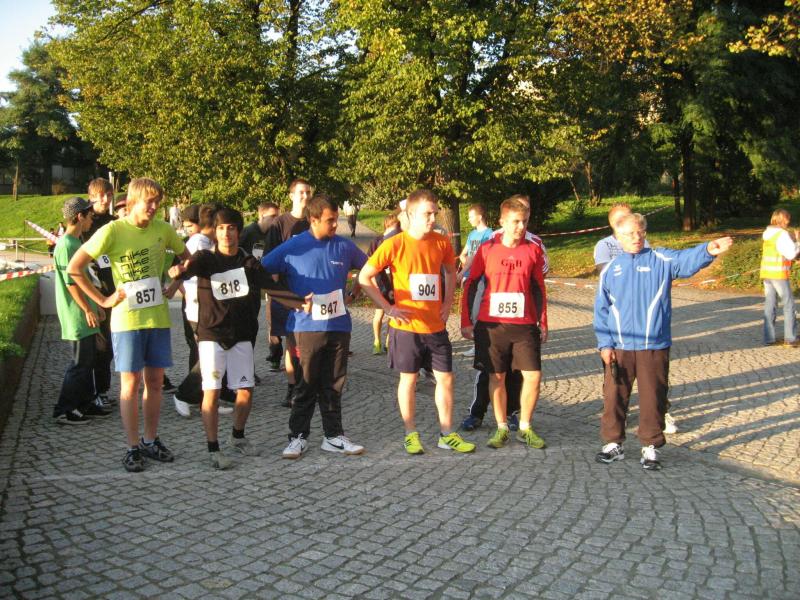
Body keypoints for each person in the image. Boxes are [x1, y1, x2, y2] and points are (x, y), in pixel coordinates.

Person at [68, 177, 190, 473]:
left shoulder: (163, 229)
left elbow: (188, 259)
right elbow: (75, 268)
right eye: (150, 201)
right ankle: (132, 446)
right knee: (130, 385)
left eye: (158, 202)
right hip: (127, 320)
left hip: (157, 317)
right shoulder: (113, 230)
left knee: (156, 383)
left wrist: (175, 283)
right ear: (133, 201)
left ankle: (150, 439)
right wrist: (104, 300)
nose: (154, 206)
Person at [593, 213, 732, 470]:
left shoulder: (661, 259)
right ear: (618, 237)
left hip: (654, 346)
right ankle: (613, 443)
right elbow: (601, 309)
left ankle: (651, 446)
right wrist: (605, 344)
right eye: (629, 234)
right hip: (620, 347)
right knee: (614, 396)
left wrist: (708, 250)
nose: (636, 237)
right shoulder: (611, 269)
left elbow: (686, 260)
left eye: (640, 232)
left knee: (653, 398)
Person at [171, 207, 306, 468]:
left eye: (231, 228)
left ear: (238, 231)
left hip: (242, 335)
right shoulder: (205, 258)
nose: (226, 233)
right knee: (211, 391)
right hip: (212, 335)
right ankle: (213, 449)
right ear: (214, 231)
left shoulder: (248, 262)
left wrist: (301, 303)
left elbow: (272, 287)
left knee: (245, 391)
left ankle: (238, 436)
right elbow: (187, 269)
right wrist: (178, 272)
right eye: (221, 228)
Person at [359, 188, 475, 455]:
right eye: (427, 214)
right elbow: (364, 277)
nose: (433, 219)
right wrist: (388, 308)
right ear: (410, 215)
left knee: (446, 379)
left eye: (435, 213)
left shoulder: (441, 242)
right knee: (409, 380)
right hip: (406, 328)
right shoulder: (395, 244)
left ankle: (447, 434)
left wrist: (447, 303)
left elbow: (450, 272)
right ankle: (410, 434)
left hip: (435, 326)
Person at [263, 194, 367, 459]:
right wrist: (290, 300)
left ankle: (333, 436)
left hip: (339, 325)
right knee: (306, 383)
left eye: (337, 220)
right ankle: (297, 437)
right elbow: (261, 273)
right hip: (306, 327)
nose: (335, 225)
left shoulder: (344, 246)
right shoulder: (293, 246)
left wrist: (354, 292)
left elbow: (370, 268)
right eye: (330, 220)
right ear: (313, 219)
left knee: (334, 382)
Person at [461, 197, 548, 449]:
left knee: (533, 376)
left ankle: (525, 427)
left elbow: (539, 288)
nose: (521, 227)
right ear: (502, 221)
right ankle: (501, 428)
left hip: (524, 324)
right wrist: (466, 321)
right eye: (515, 221)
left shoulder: (533, 250)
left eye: (524, 221)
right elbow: (471, 284)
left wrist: (543, 322)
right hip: (492, 324)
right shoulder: (487, 249)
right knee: (496, 376)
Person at [52, 197, 112, 424]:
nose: (92, 220)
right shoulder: (67, 245)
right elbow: (72, 284)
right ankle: (64, 409)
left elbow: (87, 280)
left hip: (85, 311)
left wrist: (96, 306)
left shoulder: (76, 243)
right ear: (80, 217)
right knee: (79, 363)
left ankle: (85, 403)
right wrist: (88, 309)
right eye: (90, 216)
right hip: (76, 313)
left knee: (88, 360)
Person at [171, 204, 234, 418]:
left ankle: (206, 398)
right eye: (221, 225)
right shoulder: (198, 243)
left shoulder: (208, 243)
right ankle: (185, 394)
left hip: (209, 307)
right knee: (208, 357)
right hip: (198, 309)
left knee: (212, 355)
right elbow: (184, 273)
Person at [264, 179, 312, 401]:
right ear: (291, 195)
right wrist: (275, 293)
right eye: (301, 192)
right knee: (291, 342)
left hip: (309, 291)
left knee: (308, 342)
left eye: (308, 192)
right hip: (286, 293)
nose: (305, 196)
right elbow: (270, 261)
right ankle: (293, 387)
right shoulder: (280, 224)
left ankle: (307, 384)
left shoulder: (313, 221)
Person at [82, 177, 117, 410]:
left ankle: (103, 390)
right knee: (98, 346)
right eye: (100, 196)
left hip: (115, 291)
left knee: (110, 346)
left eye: (108, 195)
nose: (105, 200)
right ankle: (94, 392)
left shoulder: (114, 223)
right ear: (91, 197)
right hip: (95, 292)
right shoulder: (85, 224)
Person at [760, 208, 799, 347]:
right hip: (778, 274)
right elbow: (791, 254)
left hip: (767, 273)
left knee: (770, 305)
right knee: (788, 305)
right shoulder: (782, 234)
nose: (789, 221)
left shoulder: (767, 233)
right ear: (783, 219)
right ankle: (790, 338)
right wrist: (798, 241)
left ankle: (768, 338)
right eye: (788, 218)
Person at [368, 211, 402, 354]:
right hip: (380, 283)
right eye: (392, 227)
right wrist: (377, 285)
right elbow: (370, 266)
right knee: (379, 314)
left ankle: (388, 342)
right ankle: (377, 341)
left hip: (395, 284)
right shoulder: (377, 242)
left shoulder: (400, 242)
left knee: (392, 314)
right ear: (386, 226)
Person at [593, 202, 650, 272]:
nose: (632, 220)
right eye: (625, 218)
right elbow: (605, 272)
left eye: (631, 217)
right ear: (613, 223)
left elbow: (650, 264)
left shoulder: (641, 240)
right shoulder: (604, 245)